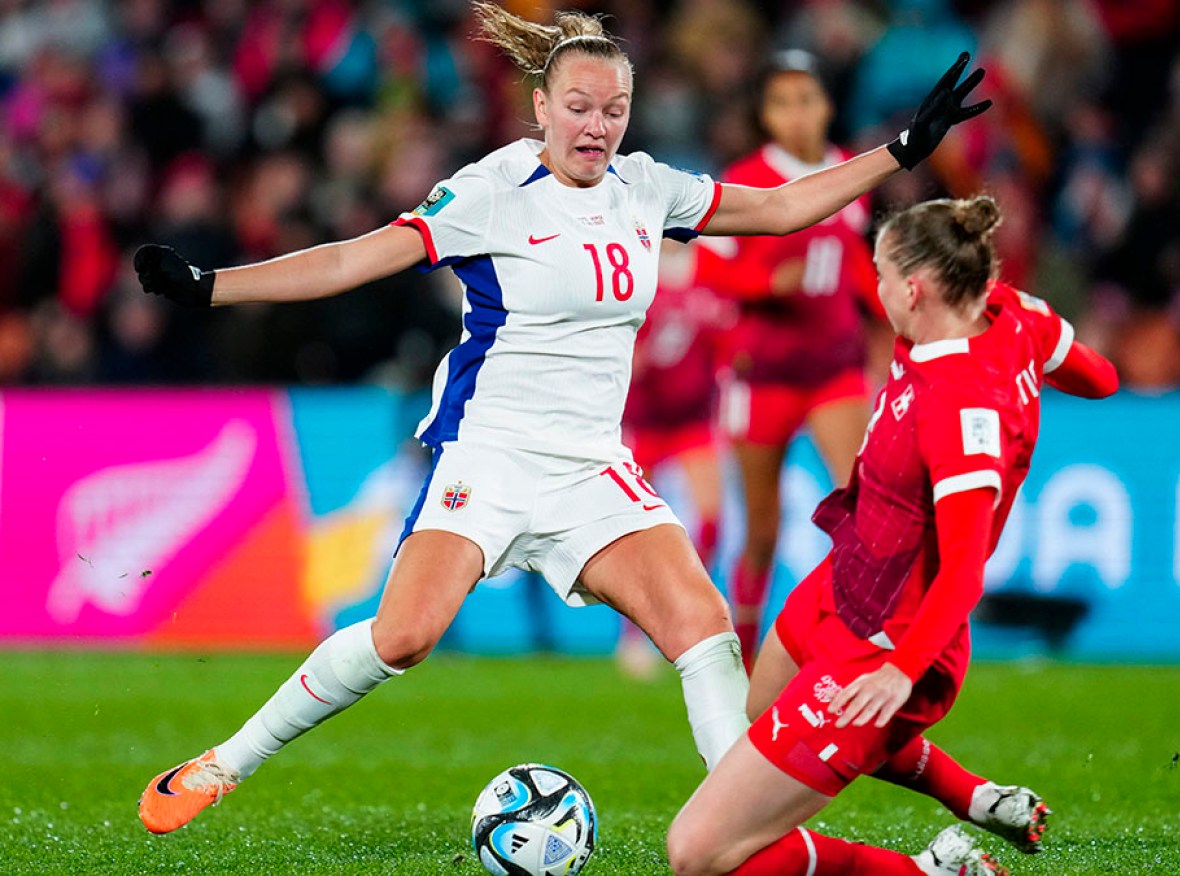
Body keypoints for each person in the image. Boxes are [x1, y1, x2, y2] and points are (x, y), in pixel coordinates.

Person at [132, 1, 991, 835]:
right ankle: (226, 761)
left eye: (613, 110)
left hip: (591, 470)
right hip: (489, 459)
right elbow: (357, 258)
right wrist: (214, 287)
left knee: (702, 631)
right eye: (577, 107)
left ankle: (746, 840)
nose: (596, 126)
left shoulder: (643, 188)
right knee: (403, 636)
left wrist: (901, 150)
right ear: (541, 107)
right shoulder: (490, 191)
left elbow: (773, 210)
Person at [667, 195, 1119, 876]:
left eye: (877, 274)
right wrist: (1031, 335)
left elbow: (964, 568)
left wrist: (897, 671)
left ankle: (928, 873)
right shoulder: (1003, 312)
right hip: (850, 577)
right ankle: (970, 794)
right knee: (757, 711)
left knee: (698, 854)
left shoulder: (962, 404)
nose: (870, 288)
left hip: (892, 635)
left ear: (913, 289)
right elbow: (1100, 378)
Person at [695, 50, 886, 669]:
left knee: (865, 506)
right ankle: (743, 662)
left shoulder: (845, 175)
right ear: (765, 114)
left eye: (807, 99)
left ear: (827, 106)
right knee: (762, 533)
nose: (797, 114)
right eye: (783, 102)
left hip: (833, 371)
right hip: (765, 376)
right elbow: (708, 273)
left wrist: (890, 315)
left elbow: (858, 269)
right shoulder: (745, 178)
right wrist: (768, 285)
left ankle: (855, 644)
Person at [616, 238, 730, 679]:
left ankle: (688, 614)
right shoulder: (638, 276)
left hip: (692, 421)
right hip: (642, 421)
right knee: (631, 529)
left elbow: (728, 342)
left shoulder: (714, 275)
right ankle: (632, 632)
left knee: (710, 521)